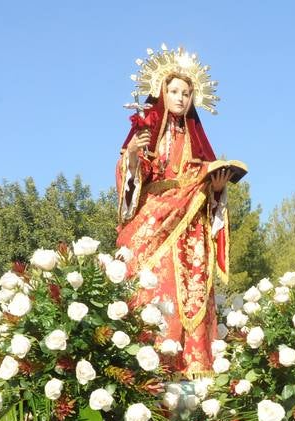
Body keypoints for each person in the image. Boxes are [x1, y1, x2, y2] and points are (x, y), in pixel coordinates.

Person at [116, 54, 234, 373]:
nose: (181, 98)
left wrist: (218, 188)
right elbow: (129, 187)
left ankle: (186, 365)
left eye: (186, 93)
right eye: (175, 92)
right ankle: (144, 361)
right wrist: (133, 156)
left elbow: (207, 190)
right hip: (153, 220)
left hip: (190, 232)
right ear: (162, 93)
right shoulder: (149, 132)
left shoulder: (196, 141)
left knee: (188, 295)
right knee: (150, 286)